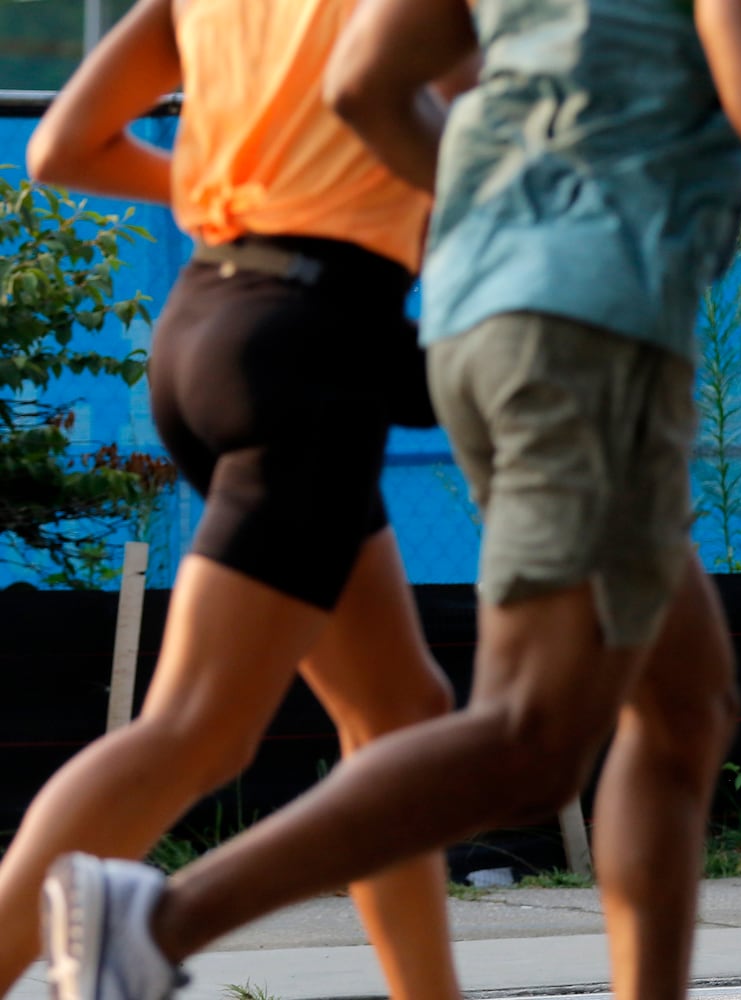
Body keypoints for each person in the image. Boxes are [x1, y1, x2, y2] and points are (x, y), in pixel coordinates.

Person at [38, 1, 741, 999]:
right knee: (524, 739)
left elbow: (361, 85)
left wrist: (488, 219)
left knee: (670, 709)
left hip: (404, 319)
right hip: (551, 329)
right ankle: (157, 919)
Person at [14, 1, 473, 998]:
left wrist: (237, 193)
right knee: (200, 728)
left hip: (207, 323)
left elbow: (59, 148)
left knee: (401, 713)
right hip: (309, 349)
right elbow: (476, 164)